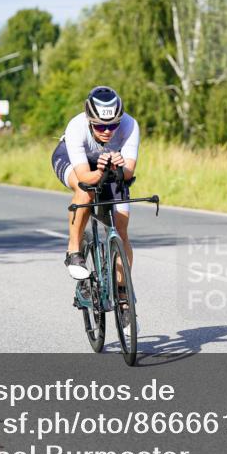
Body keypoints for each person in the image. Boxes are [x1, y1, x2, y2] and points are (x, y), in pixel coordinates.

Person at [50, 86, 140, 302]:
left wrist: (120, 168)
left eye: (113, 125)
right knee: (86, 192)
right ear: (90, 119)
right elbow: (83, 176)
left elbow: (128, 173)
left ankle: (122, 294)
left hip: (108, 166)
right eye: (100, 126)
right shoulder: (76, 127)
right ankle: (74, 251)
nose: (107, 131)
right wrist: (99, 171)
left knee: (121, 227)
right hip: (74, 163)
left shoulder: (130, 125)